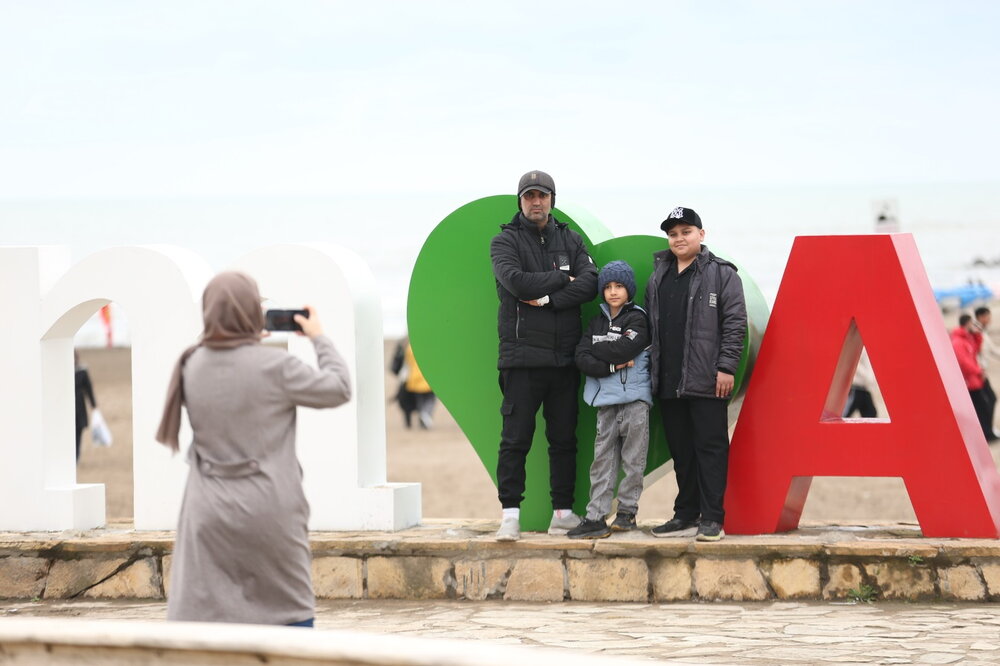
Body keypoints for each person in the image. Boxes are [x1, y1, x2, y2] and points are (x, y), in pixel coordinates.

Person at [156, 271, 352, 627]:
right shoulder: (276, 366)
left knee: (208, 617)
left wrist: (241, 337)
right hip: (269, 507)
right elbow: (339, 387)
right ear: (252, 313)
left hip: (207, 510)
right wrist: (318, 337)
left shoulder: (191, 364)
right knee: (286, 611)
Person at [489, 169, 598, 541]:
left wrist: (548, 298)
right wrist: (559, 278)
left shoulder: (570, 238)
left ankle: (563, 513)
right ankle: (510, 516)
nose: (536, 202)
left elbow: (589, 284)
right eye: (529, 196)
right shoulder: (503, 241)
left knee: (564, 439)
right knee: (515, 440)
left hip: (565, 359)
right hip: (520, 360)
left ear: (552, 200)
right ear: (520, 201)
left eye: (543, 195)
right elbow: (516, 282)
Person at [645, 207, 746, 542]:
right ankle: (685, 514)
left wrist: (726, 368)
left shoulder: (722, 274)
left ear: (701, 235)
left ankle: (712, 518)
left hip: (707, 380)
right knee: (682, 452)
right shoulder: (658, 274)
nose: (679, 239)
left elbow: (735, 324)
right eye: (673, 234)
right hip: (669, 380)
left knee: (711, 448)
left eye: (686, 232)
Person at [568, 260, 652, 539]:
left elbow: (625, 348)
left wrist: (598, 347)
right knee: (602, 460)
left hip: (635, 401)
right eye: (608, 287)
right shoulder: (596, 321)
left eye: (619, 286)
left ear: (629, 289)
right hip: (605, 402)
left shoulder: (638, 318)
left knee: (633, 459)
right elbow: (581, 357)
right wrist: (610, 364)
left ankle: (627, 513)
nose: (613, 292)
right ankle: (595, 517)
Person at [952, 312, 991, 441]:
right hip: (970, 379)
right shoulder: (958, 341)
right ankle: (985, 434)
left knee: (984, 405)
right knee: (981, 407)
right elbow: (964, 362)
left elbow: (975, 351)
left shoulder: (967, 337)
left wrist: (978, 335)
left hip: (975, 377)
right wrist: (978, 371)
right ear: (967, 323)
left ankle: (986, 432)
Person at [391, 339, 436, 429]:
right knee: (430, 399)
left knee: (420, 400)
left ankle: (423, 415)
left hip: (413, 378)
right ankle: (425, 414)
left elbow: (405, 364)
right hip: (427, 379)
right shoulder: (430, 345)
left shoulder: (408, 346)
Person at [972, 306, 999, 441]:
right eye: (988, 316)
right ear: (981, 317)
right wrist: (979, 369)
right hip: (978, 374)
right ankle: (987, 432)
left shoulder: (981, 331)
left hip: (981, 373)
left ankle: (988, 430)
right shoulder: (975, 331)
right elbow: (975, 353)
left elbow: (992, 350)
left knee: (989, 400)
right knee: (986, 402)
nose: (990, 319)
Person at [74, 350, 97, 462]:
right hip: (67, 409)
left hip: (79, 408)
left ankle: (76, 458)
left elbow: (89, 389)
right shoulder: (63, 371)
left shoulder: (82, 371)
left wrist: (93, 405)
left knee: (78, 434)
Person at [843, 349, 878, 418]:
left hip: (865, 389)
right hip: (855, 388)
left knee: (872, 416)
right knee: (843, 416)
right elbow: (851, 361)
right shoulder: (855, 348)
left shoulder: (865, 350)